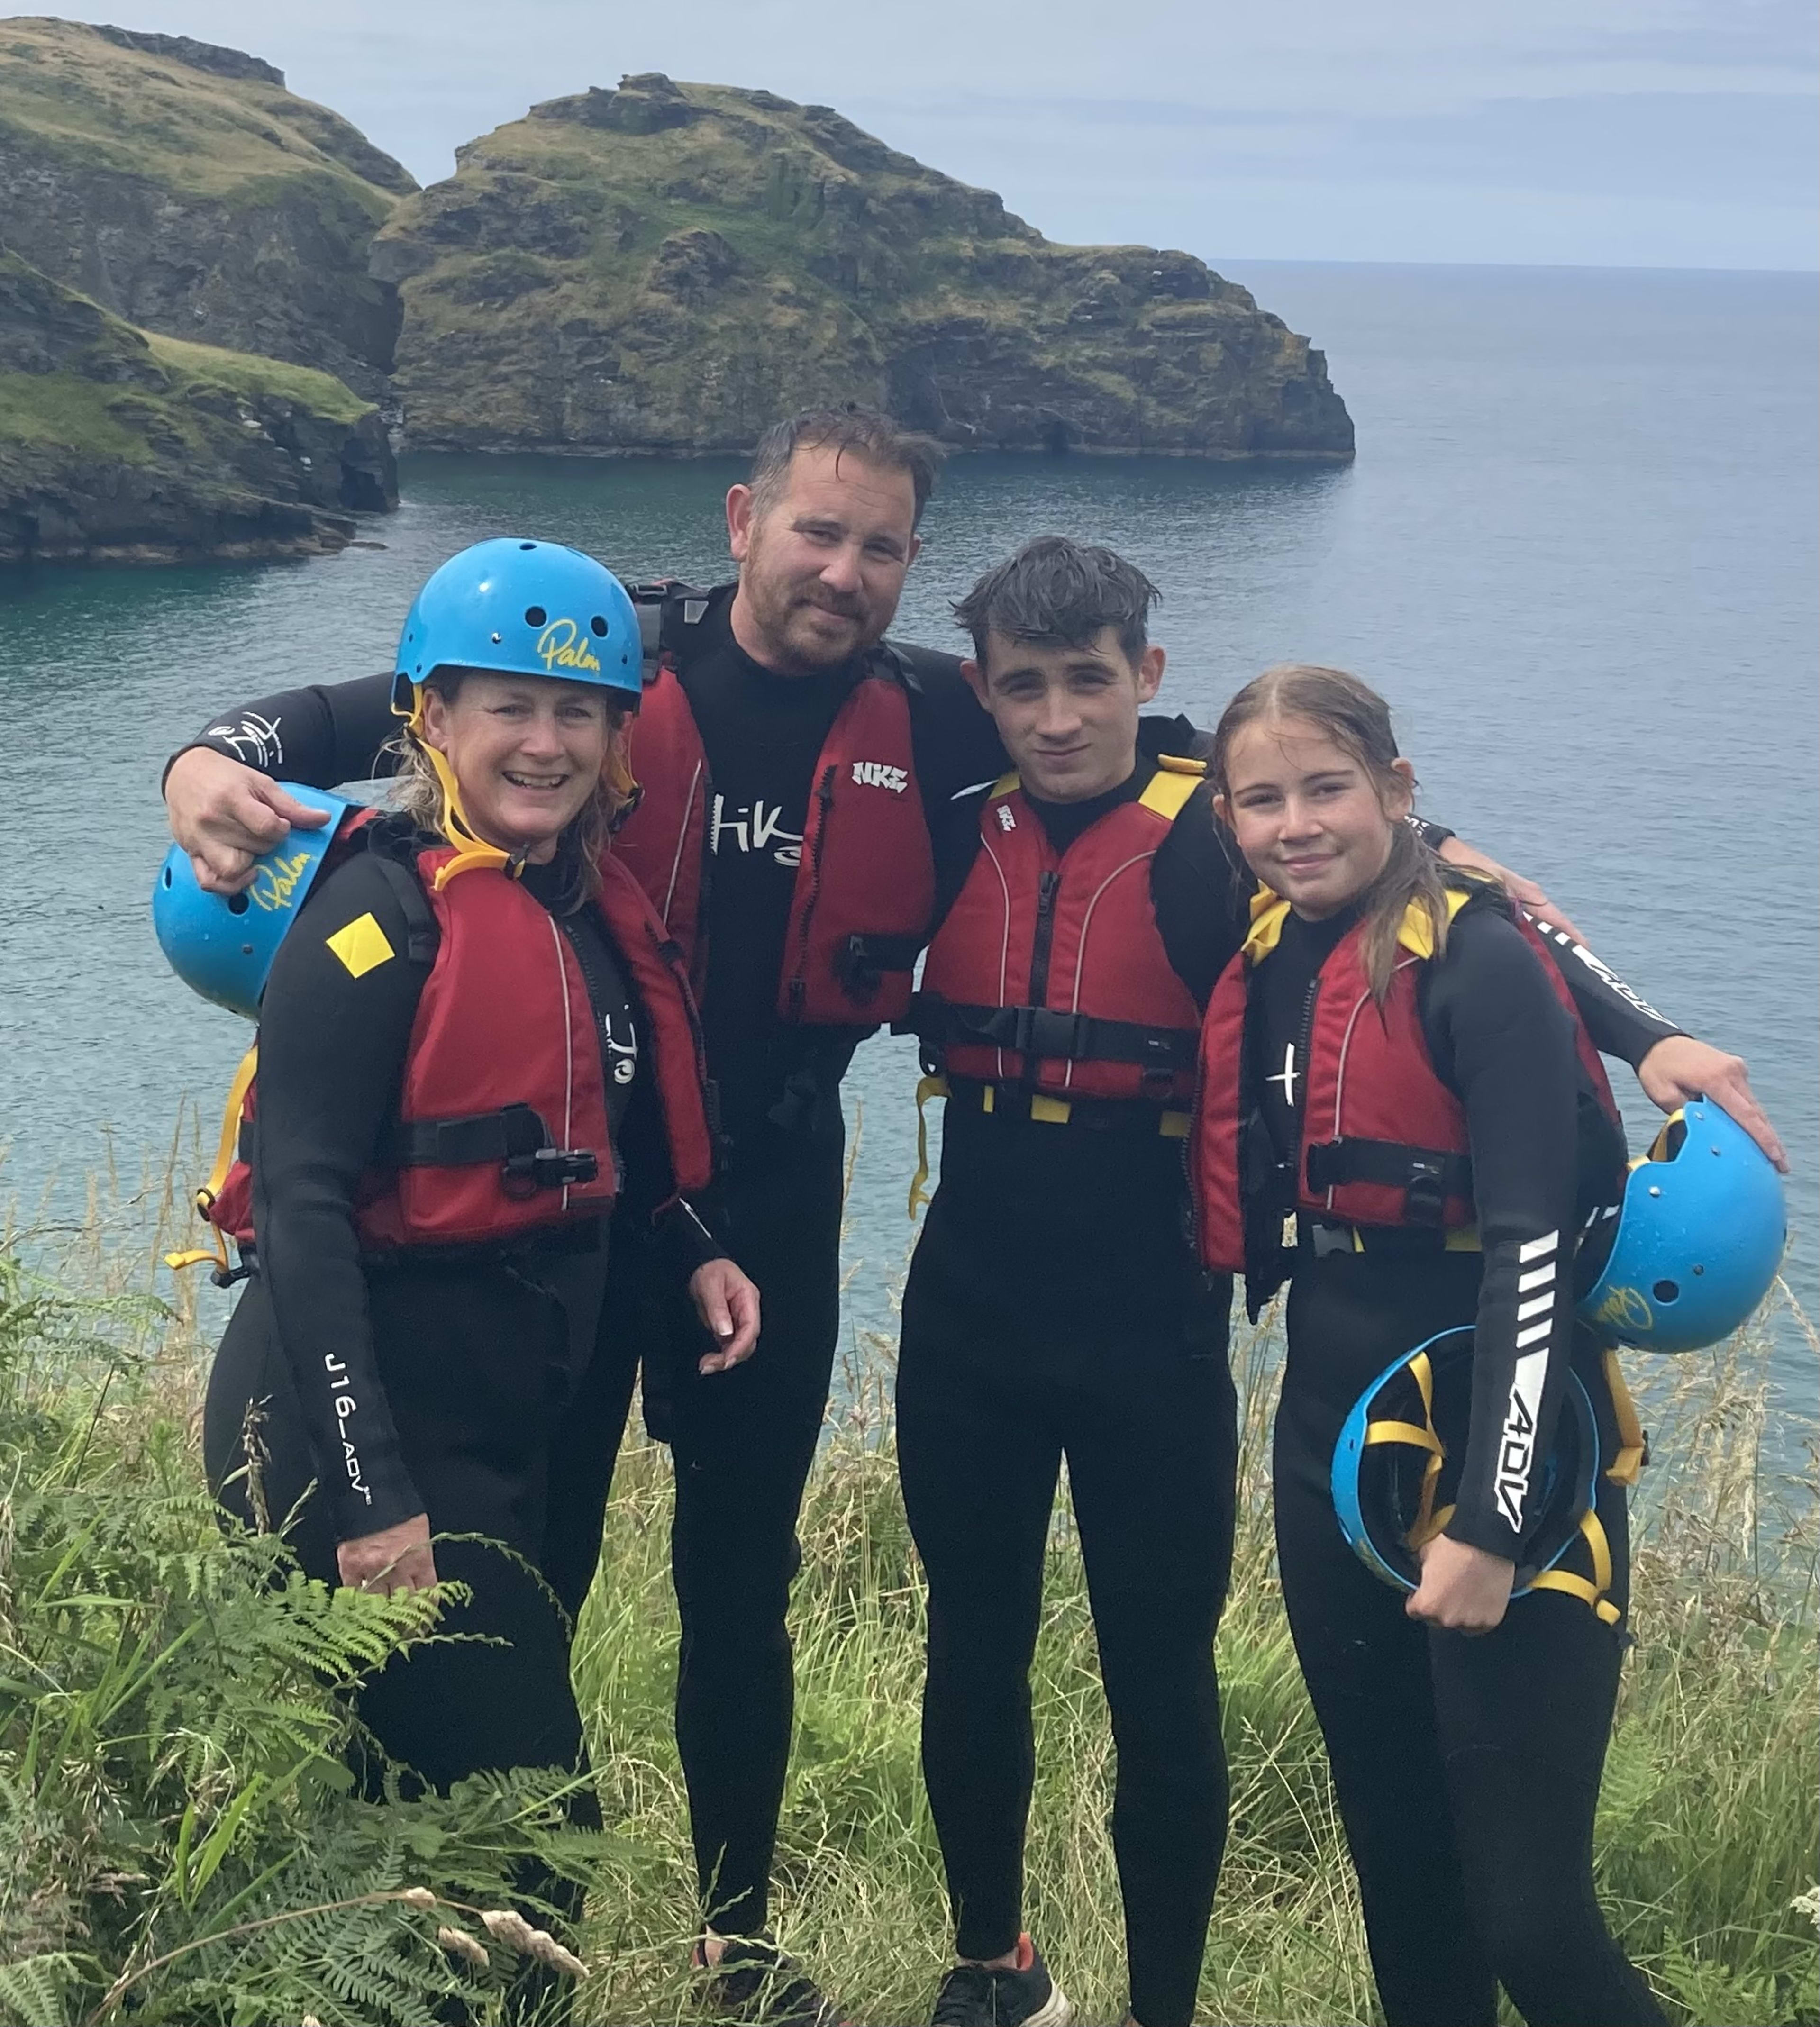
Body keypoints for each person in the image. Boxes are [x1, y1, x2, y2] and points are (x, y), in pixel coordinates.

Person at [157, 419, 1781, 2018]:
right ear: (744, 523)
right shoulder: (605, 669)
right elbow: (349, 711)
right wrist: (201, 755)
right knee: (546, 1590)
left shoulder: (1007, 736)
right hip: (617, 1224)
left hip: (805, 1218)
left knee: (763, 1588)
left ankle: (758, 1951)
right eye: (818, 532)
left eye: (879, 548)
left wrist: (1641, 1032)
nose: (842, 571)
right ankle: (512, 1914)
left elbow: (1372, 844)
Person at [894, 545, 1766, 2027]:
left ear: (1145, 680)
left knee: (1495, 1897)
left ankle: (1160, 2007)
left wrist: (1646, 1031)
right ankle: (999, 1969)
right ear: (982, 692)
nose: (1054, 717)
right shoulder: (971, 820)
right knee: (1000, 1664)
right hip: (1073, 1339)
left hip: (1239, 1360)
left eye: (1088, 680)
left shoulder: (1260, 854)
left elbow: (1469, 886)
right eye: (1022, 688)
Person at [195, 538, 759, 1999]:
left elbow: (594, 1141)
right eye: (507, 706)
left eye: (579, 713)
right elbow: (304, 1212)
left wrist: (686, 1248)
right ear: (430, 722)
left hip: (513, 1432)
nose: (546, 742)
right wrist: (378, 1506)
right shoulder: (378, 912)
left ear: (617, 736)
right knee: (533, 1851)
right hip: (361, 1435)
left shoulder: (584, 907)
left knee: (427, 1843)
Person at [1191, 662, 1693, 2027]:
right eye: (1264, 800)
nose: (1296, 824)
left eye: (1329, 790)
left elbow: (1532, 1248)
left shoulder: (1482, 965)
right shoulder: (1278, 940)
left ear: (1398, 792)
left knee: (1529, 1921)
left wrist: (1490, 1514)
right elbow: (1142, 742)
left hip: (1516, 1466)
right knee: (1404, 1881)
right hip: (1332, 1458)